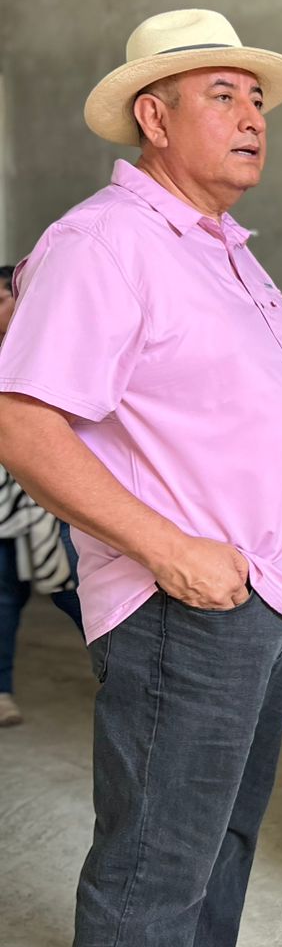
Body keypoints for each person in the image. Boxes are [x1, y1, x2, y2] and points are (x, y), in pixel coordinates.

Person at [0, 9, 282, 947]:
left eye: (256, 98)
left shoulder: (221, 247)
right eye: (222, 94)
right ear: (153, 116)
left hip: (266, 591)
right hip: (183, 602)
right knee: (153, 857)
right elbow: (24, 424)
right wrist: (173, 551)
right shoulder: (103, 243)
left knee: (226, 825)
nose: (253, 116)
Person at [0, 267, 86, 726]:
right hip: (5, 508)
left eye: (1, 300)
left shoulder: (50, 350)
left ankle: (131, 679)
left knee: (76, 593)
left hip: (54, 501)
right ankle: (0, 692)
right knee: (3, 597)